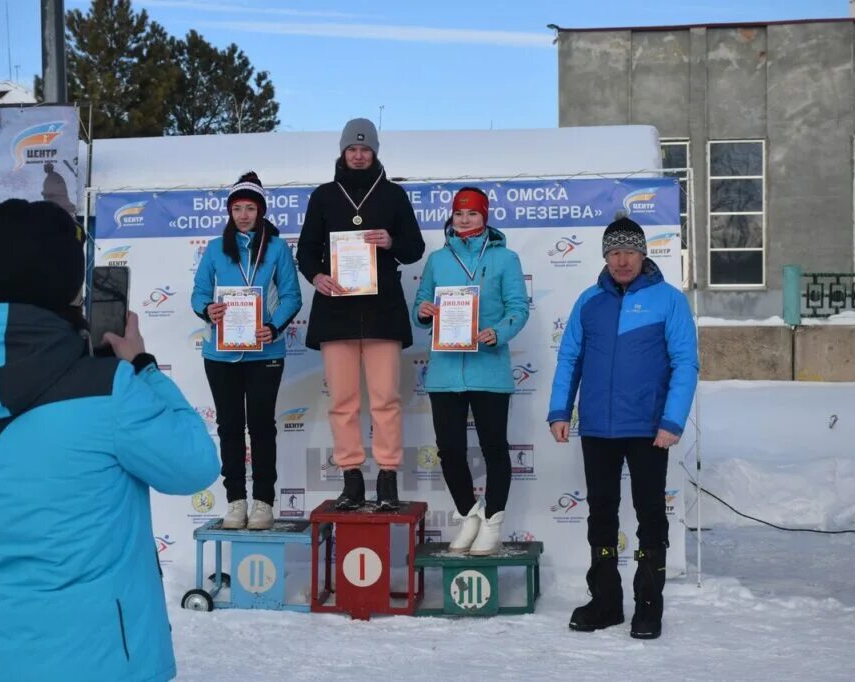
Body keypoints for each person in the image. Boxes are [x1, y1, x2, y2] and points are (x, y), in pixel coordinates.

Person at [0, 199, 220, 681]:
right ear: (69, 286)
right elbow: (195, 465)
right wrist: (141, 366)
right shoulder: (110, 386)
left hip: (1, 657)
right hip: (106, 661)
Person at [547, 216, 698, 640]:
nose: (622, 260)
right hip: (597, 427)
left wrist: (671, 421)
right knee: (601, 513)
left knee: (650, 513)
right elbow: (569, 359)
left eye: (629, 251)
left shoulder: (669, 300)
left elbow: (686, 363)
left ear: (643, 253)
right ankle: (606, 602)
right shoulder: (589, 301)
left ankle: (648, 606)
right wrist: (560, 411)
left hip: (649, 428)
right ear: (605, 256)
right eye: (614, 252)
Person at [297, 118, 425, 510]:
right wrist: (317, 275)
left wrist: (391, 240)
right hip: (336, 312)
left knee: (386, 399)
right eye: (352, 149)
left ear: (374, 152)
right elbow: (305, 251)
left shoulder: (393, 196)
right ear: (342, 152)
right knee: (343, 401)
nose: (357, 155)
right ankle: (352, 479)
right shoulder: (323, 196)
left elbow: (414, 248)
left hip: (381, 311)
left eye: (364, 149)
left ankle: (387, 477)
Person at [412, 187, 529, 555]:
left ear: (485, 217)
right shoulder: (437, 259)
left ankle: (493, 520)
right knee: (449, 450)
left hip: (488, 368)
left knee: (494, 448)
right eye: (459, 214)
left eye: (473, 214)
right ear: (452, 217)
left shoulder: (505, 258)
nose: (465, 220)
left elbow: (518, 309)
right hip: (446, 371)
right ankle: (469, 515)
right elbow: (421, 302)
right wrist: (424, 311)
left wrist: (499, 332)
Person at [191, 172, 302, 530]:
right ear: (229, 212)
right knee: (228, 427)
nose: (242, 215)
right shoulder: (213, 248)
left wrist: (273, 326)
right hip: (220, 353)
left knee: (261, 426)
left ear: (261, 211)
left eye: (249, 208)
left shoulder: (277, 248)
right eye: (236, 208)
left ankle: (264, 502)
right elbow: (198, 293)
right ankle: (235, 500)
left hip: (264, 352)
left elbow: (291, 296)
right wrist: (208, 309)